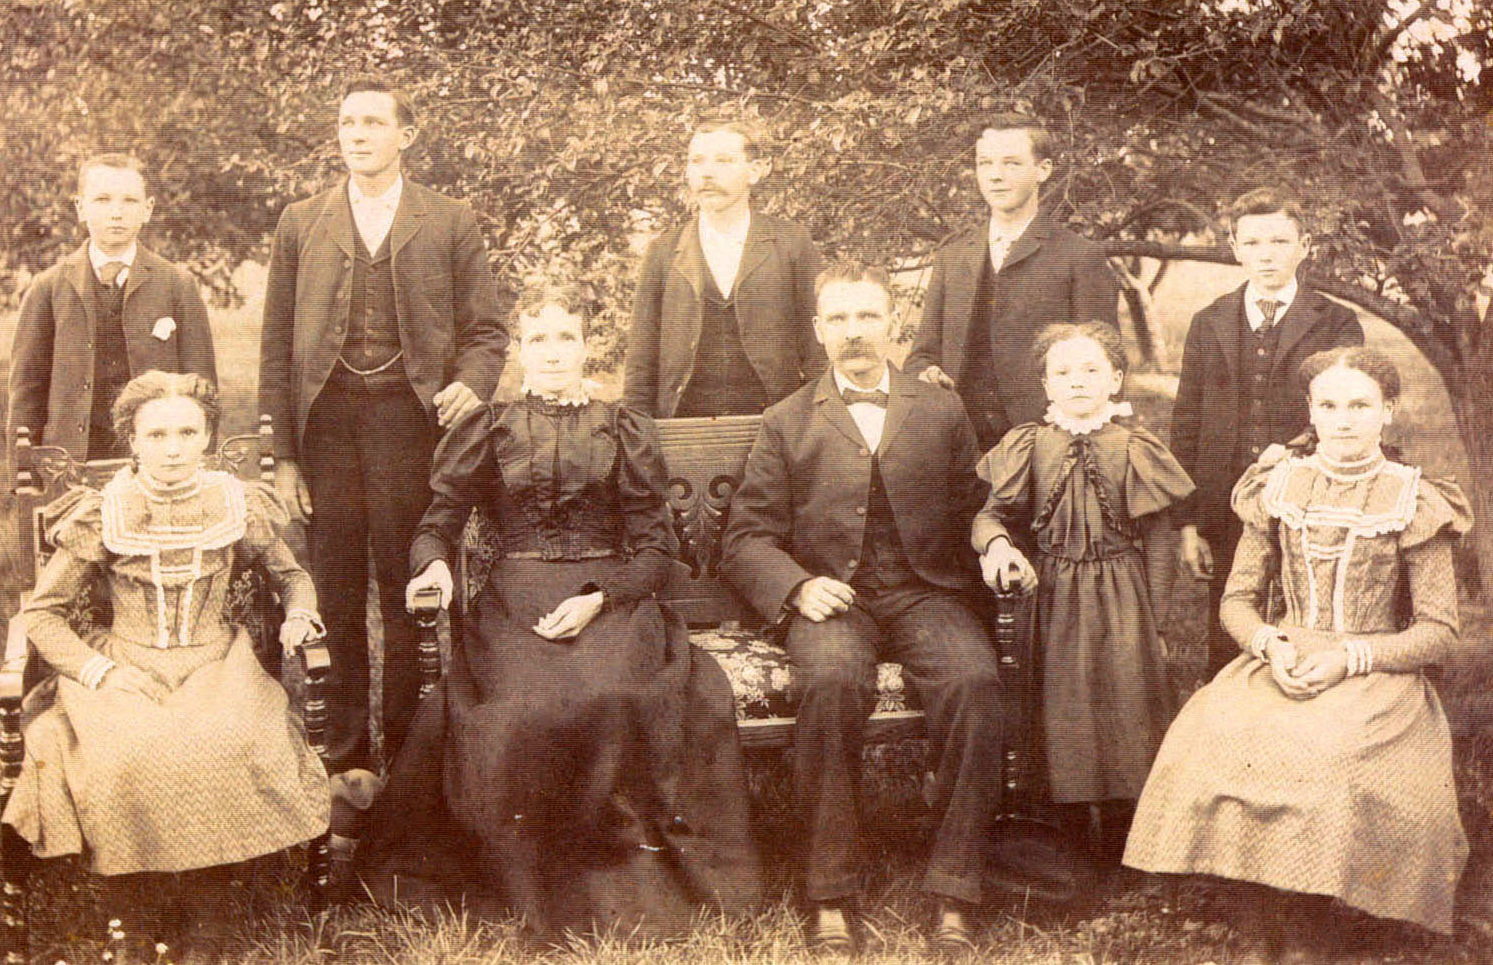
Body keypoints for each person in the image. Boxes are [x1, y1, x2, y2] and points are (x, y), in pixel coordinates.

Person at [355, 291, 762, 939]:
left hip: (612, 598)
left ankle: (619, 885)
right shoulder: (490, 427)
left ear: (586, 347)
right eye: (538, 339)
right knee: (521, 710)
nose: (551, 352)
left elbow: (656, 548)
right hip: (516, 600)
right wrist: (432, 566)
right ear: (520, 349)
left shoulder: (621, 426)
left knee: (609, 693)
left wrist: (599, 597)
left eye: (565, 337)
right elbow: (438, 524)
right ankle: (530, 883)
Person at [1124, 346, 1470, 964]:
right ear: (1309, 411)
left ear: (1388, 411)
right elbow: (1236, 600)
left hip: (1372, 668)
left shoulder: (1413, 498)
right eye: (1328, 405)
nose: (1343, 420)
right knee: (1215, 730)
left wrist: (1348, 659)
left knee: (1325, 755)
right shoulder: (1279, 485)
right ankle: (1260, 915)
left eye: (1360, 405)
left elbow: (1438, 631)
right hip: (1284, 656)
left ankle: (1310, 927)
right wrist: (1270, 645)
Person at [720, 262, 1003, 956]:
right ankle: (830, 892)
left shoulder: (940, 409)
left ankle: (955, 890)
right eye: (840, 319)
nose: (854, 332)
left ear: (893, 324)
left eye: (868, 316)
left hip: (923, 592)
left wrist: (995, 542)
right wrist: (797, 588)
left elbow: (975, 506)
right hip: (833, 599)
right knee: (828, 682)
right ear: (819, 330)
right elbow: (746, 537)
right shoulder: (787, 420)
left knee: (974, 683)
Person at [2, 371, 329, 953]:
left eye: (187, 433)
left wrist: (300, 614)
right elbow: (43, 614)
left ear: (207, 437)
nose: (173, 448)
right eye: (156, 435)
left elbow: (291, 576)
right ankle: (135, 910)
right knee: (123, 752)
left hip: (216, 662)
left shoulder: (235, 502)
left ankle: (209, 909)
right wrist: (100, 672)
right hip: (126, 662)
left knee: (223, 741)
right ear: (131, 440)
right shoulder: (107, 510)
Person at [259, 77, 510, 772]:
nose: (358, 134)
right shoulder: (301, 221)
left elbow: (486, 332)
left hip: (411, 428)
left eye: (373, 122)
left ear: (407, 135)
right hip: (327, 431)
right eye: (348, 123)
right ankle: (344, 760)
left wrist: (470, 385)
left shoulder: (449, 220)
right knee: (335, 589)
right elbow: (275, 345)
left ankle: (408, 756)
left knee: (411, 588)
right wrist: (284, 457)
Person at [972, 321, 1192, 866]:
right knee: (1062, 708)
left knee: (1126, 707)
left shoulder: (1135, 447)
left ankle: (1125, 841)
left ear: (1115, 379)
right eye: (1063, 372)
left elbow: (1160, 541)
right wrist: (998, 545)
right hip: (1052, 597)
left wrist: (1157, 621)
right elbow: (989, 516)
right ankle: (1067, 839)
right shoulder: (1029, 444)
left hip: (1122, 597)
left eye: (1091, 370)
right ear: (1045, 384)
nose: (1077, 381)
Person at [1171, 187, 1363, 679]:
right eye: (1253, 243)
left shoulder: (1335, 322)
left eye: (1279, 241)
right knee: (1231, 620)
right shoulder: (1210, 321)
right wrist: (1190, 524)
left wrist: (1295, 448)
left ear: (1304, 245)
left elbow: (1349, 410)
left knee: (1306, 616)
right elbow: (1186, 424)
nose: (1266, 255)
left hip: (1311, 499)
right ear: (1235, 248)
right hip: (1226, 507)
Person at [905, 113, 1119, 453]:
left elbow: (1106, 365)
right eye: (985, 163)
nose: (995, 175)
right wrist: (927, 373)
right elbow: (922, 355)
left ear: (1043, 170)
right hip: (960, 446)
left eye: (1011, 163)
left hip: (1049, 446)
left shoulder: (1079, 257)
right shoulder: (952, 257)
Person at [8, 153, 217, 464]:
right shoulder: (48, 288)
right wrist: (24, 475)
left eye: (129, 201)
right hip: (70, 462)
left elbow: (203, 391)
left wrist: (203, 466)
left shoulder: (177, 285)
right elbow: (27, 391)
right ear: (80, 207)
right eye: (103, 200)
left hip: (160, 462)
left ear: (148, 209)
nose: (116, 213)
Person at [623, 113, 824, 418]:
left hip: (775, 425)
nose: (707, 173)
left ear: (755, 170)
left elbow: (818, 348)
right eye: (697, 161)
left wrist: (816, 426)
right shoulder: (662, 252)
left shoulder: (791, 244)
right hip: (684, 426)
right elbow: (641, 361)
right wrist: (638, 433)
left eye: (723, 161)